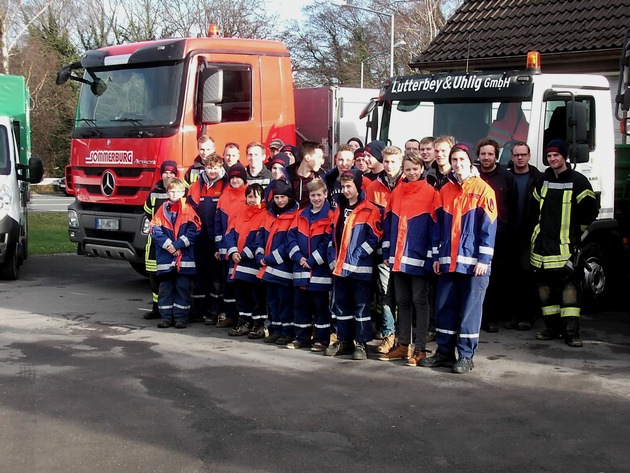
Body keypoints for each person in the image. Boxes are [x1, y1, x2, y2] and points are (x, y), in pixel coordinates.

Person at [420, 143, 497, 374]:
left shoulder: (484, 190)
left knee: (470, 311)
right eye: (454, 160)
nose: (458, 164)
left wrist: (484, 259)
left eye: (462, 160)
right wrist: (436, 254)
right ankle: (444, 353)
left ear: (470, 161)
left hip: (474, 264)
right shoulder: (445, 191)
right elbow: (436, 226)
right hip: (448, 261)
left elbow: (489, 228)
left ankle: (465, 356)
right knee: (445, 309)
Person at [530, 139, 599, 347]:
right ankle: (552, 328)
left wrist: (577, 237)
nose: (552, 159)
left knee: (569, 294)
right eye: (549, 156)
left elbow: (590, 212)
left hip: (567, 249)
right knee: (545, 293)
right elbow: (533, 212)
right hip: (542, 250)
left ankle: (572, 333)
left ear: (564, 157)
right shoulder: (541, 181)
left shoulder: (578, 181)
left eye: (556, 155)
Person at [379, 152, 440, 366]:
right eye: (408, 169)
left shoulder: (431, 193)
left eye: (415, 169)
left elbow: (435, 227)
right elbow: (388, 225)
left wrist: (432, 256)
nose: (412, 173)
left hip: (419, 258)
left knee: (420, 302)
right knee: (402, 302)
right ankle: (403, 345)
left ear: (422, 169)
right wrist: (387, 253)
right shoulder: (397, 193)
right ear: (403, 170)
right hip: (398, 258)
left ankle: (420, 349)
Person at [325, 169, 383, 360]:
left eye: (349, 186)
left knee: (361, 308)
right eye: (343, 186)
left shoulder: (370, 209)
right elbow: (332, 236)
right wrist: (333, 259)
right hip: (340, 268)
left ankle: (361, 343)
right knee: (341, 307)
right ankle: (344, 340)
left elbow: (374, 239)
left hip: (360, 269)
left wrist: (355, 257)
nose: (346, 190)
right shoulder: (338, 209)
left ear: (358, 186)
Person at [365, 146, 404, 356]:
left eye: (393, 162)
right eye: (386, 161)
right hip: (380, 247)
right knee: (384, 291)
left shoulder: (408, 184)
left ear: (401, 162)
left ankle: (402, 338)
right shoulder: (373, 186)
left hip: (404, 246)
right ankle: (389, 334)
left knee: (404, 295)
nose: (389, 166)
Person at [287, 179, 334, 351]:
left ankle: (321, 340)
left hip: (320, 272)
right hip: (300, 271)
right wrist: (299, 258)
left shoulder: (331, 216)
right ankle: (301, 338)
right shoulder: (300, 215)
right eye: (313, 195)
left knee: (321, 307)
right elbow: (290, 239)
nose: (316, 198)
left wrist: (312, 261)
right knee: (300, 306)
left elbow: (328, 242)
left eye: (319, 195)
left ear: (325, 194)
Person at [476, 138, 517, 333]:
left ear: (496, 156)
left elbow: (513, 206)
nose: (486, 157)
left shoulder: (506, 178)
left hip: (500, 237)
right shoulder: (473, 177)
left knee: (496, 280)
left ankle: (492, 319)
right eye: (483, 154)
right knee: (476, 279)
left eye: (490, 154)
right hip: (475, 237)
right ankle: (478, 318)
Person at [150, 178, 202, 329]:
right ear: (167, 192)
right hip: (166, 259)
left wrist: (177, 245)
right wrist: (169, 246)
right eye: (171, 191)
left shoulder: (188, 210)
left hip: (184, 259)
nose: (174, 194)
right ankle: (166, 317)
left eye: (178, 191)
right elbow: (154, 229)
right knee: (165, 289)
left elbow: (195, 230)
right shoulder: (162, 210)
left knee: (182, 289)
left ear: (183, 193)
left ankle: (180, 318)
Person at [256, 179, 299, 345]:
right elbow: (259, 236)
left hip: (284, 268)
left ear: (289, 198)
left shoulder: (294, 215)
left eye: (283, 197)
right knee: (273, 301)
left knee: (285, 301)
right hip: (268, 268)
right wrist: (259, 254)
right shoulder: (269, 214)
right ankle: (276, 329)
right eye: (277, 197)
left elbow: (289, 244)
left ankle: (287, 332)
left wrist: (268, 259)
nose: (280, 200)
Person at [186, 152, 228, 323]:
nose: (212, 170)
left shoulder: (225, 185)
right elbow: (189, 211)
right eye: (209, 167)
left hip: (217, 238)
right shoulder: (196, 185)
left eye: (216, 167)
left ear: (220, 168)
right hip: (200, 238)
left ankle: (213, 311)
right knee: (199, 276)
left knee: (216, 278)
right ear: (205, 167)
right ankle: (198, 310)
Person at [505, 141, 542, 330]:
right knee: (510, 277)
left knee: (527, 276)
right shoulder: (506, 177)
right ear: (511, 157)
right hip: (509, 235)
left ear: (528, 156)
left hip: (529, 235)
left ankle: (527, 316)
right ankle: (512, 316)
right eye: (516, 155)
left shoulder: (538, 179)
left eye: (523, 154)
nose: (520, 158)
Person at [224, 184, 268, 338]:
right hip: (238, 263)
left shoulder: (264, 215)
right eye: (249, 196)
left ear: (261, 198)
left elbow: (260, 238)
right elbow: (229, 233)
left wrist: (243, 254)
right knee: (241, 294)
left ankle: (258, 324)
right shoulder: (240, 213)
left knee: (256, 295)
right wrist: (233, 251)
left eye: (255, 196)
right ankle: (244, 322)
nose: (252, 200)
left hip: (252, 264)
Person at [214, 163, 249, 327]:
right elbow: (218, 225)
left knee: (242, 286)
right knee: (226, 284)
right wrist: (220, 249)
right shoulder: (224, 196)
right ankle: (229, 315)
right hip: (226, 250)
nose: (235, 180)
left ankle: (242, 317)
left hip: (243, 249)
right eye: (232, 177)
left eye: (238, 177)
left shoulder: (249, 194)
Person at [142, 160, 179, 320]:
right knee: (154, 276)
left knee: (174, 278)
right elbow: (149, 215)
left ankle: (172, 310)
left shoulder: (181, 190)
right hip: (156, 242)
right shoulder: (154, 193)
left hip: (175, 243)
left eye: (171, 173)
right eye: (166, 172)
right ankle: (157, 308)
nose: (168, 175)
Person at [284, 140, 326, 208]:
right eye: (319, 157)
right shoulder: (286, 175)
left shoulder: (322, 177)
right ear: (307, 158)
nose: (322, 162)